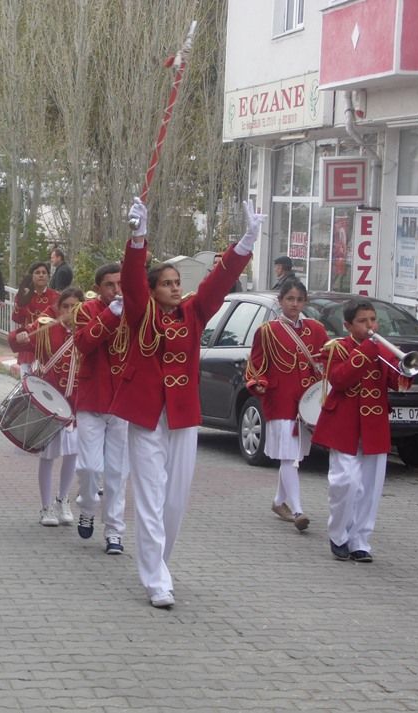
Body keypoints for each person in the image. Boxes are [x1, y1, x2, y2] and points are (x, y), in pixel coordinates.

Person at [117, 198, 261, 609]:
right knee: (150, 495)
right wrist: (138, 239)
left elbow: (218, 281)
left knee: (175, 499)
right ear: (152, 289)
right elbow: (130, 280)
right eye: (166, 283)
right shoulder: (139, 312)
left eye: (178, 281)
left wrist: (246, 242)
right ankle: (156, 579)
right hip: (146, 414)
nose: (175, 287)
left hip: (182, 414)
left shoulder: (193, 313)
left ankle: (158, 563)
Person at [312, 299, 410, 563]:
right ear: (348, 325)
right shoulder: (338, 349)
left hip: (375, 425)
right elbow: (340, 380)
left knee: (370, 487)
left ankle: (360, 541)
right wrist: (368, 349)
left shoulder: (382, 349)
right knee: (345, 482)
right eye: (363, 321)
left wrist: (403, 368)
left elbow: (395, 382)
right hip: (343, 424)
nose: (370, 326)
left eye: (373, 320)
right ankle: (338, 535)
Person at [245, 278, 329, 532]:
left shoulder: (316, 329)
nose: (295, 304)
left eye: (299, 299)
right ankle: (298, 510)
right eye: (290, 299)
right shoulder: (267, 330)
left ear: (305, 302)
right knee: (289, 456)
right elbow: (256, 363)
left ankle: (278, 501)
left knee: (294, 456)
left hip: (307, 402)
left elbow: (327, 361)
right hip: (280, 398)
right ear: (280, 301)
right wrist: (258, 382)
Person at [11, 287, 83, 526]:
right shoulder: (46, 328)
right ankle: (46, 507)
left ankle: (63, 500)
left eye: (75, 306)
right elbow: (20, 340)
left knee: (72, 454)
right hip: (50, 402)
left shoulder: (89, 332)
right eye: (65, 306)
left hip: (75, 402)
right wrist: (19, 337)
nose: (70, 311)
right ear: (58, 308)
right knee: (49, 456)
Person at [71, 262, 130, 556]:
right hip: (93, 397)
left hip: (122, 400)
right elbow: (83, 343)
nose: (117, 290)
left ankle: (115, 531)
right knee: (90, 467)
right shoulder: (86, 311)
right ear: (99, 287)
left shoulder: (135, 311)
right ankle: (88, 506)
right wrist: (110, 315)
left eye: (121, 284)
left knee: (117, 472)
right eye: (110, 285)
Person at [11, 262, 59, 376]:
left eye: (44, 273)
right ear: (32, 277)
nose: (41, 275)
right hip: (28, 346)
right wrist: (21, 302)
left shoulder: (56, 297)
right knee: (27, 384)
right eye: (37, 273)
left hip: (49, 347)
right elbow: (16, 318)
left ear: (48, 276)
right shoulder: (24, 296)